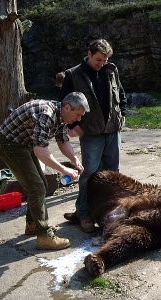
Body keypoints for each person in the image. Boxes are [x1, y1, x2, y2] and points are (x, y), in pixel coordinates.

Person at [0, 92, 90, 250]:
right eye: (78, 114)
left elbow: (62, 142)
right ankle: (43, 235)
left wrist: (74, 160)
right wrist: (65, 170)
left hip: (24, 144)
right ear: (67, 107)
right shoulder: (47, 114)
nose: (79, 119)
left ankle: (32, 225)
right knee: (36, 187)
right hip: (10, 145)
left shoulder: (61, 116)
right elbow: (41, 151)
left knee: (41, 185)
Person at [60, 38, 127, 233]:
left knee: (113, 173)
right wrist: (74, 124)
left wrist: (122, 113)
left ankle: (110, 210)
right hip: (91, 133)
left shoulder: (111, 70)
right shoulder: (73, 75)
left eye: (105, 60)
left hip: (113, 129)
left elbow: (120, 94)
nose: (102, 64)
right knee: (89, 173)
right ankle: (83, 212)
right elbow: (65, 103)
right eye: (98, 59)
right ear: (88, 54)